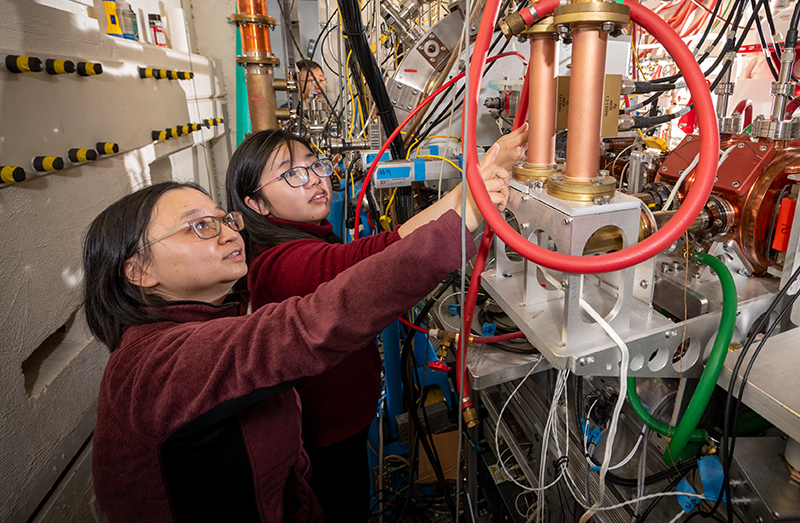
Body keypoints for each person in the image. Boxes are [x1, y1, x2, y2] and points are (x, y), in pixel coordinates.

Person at [83, 178, 508, 522]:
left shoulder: (212, 321)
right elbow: (312, 324)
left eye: (224, 219)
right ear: (138, 271)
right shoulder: (155, 366)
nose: (229, 233)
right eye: (200, 226)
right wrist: (462, 218)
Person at [225, 126, 528, 521]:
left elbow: (386, 244)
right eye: (291, 173)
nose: (315, 177)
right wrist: (469, 203)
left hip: (341, 429)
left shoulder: (305, 244)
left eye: (314, 164)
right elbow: (383, 260)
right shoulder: (279, 265)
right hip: (322, 444)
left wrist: (470, 190)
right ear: (257, 204)